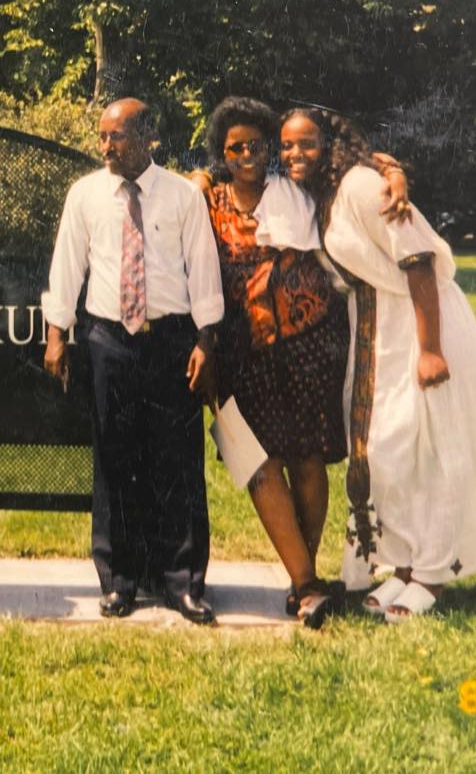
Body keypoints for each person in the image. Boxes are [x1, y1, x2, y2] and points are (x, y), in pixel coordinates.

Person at [280, 108, 476, 621]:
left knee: (423, 446)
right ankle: (401, 564)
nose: (295, 155)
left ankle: (432, 572)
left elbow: (418, 260)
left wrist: (430, 349)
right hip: (376, 328)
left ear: (330, 144)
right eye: (287, 146)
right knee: (384, 451)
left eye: (306, 144)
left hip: (416, 322)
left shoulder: (362, 186)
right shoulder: (325, 194)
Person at [196, 97, 411, 627]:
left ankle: (305, 582)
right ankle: (306, 581)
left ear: (269, 147)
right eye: (234, 147)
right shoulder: (203, 200)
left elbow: (354, 166)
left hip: (309, 343)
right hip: (240, 353)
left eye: (255, 144)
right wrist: (197, 176)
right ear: (221, 154)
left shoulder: (294, 190)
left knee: (307, 459)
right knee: (257, 465)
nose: (246, 154)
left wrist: (395, 170)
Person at [42, 98, 223, 624]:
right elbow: (67, 265)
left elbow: (204, 271)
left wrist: (206, 343)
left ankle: (182, 581)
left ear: (148, 136)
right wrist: (58, 334)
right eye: (101, 137)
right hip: (109, 340)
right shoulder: (86, 195)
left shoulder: (183, 197)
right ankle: (119, 580)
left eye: (116, 136)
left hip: (170, 339)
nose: (106, 147)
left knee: (176, 462)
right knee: (115, 460)